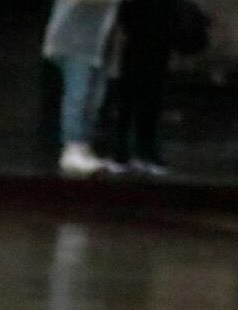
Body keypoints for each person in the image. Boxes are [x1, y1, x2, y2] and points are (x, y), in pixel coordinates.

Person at [45, 0, 125, 177]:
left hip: (98, 40)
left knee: (95, 97)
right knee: (78, 95)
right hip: (73, 39)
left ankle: (84, 146)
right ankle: (72, 147)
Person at [103, 0, 180, 174]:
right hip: (153, 43)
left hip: (142, 43)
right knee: (145, 100)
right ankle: (141, 152)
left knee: (134, 101)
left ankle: (127, 153)